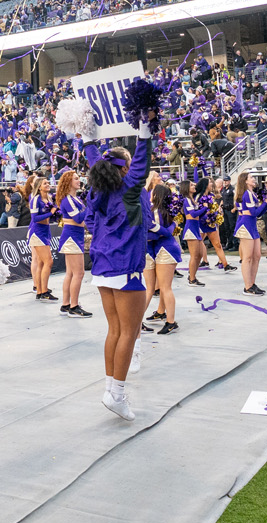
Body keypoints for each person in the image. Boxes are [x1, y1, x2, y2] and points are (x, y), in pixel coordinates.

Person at [85, 126, 153, 421]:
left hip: (102, 268)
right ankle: (117, 393)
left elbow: (92, 160)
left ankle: (111, 387)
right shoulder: (128, 190)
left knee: (114, 330)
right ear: (124, 169)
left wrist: (87, 138)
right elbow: (142, 162)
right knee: (129, 331)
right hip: (125, 267)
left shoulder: (101, 190)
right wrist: (146, 132)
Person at [143, 176, 182, 335]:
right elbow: (159, 233)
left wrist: (168, 229)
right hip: (154, 249)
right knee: (151, 288)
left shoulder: (157, 211)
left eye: (152, 193)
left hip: (165, 249)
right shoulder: (154, 210)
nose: (149, 195)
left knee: (164, 287)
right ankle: (142, 319)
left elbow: (160, 232)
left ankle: (171, 322)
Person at [54, 169, 92, 317]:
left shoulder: (74, 199)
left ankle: (66, 304)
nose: (79, 180)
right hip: (71, 238)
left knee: (70, 273)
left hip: (74, 237)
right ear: (68, 182)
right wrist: (90, 205)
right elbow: (78, 219)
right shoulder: (68, 200)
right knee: (79, 273)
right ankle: (74, 306)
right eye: (76, 178)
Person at [232, 171, 267, 295]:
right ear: (245, 181)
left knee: (257, 256)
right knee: (247, 258)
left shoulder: (250, 193)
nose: (254, 179)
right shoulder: (247, 193)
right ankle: (248, 286)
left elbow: (257, 212)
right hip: (246, 225)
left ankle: (252, 283)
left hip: (251, 224)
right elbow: (254, 212)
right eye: (251, 177)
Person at [25, 174, 57, 301]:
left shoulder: (49, 198)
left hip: (45, 231)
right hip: (37, 233)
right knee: (48, 261)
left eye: (48, 182)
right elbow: (35, 218)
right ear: (39, 187)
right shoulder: (35, 199)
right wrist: (51, 212)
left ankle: (40, 290)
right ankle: (43, 291)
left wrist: (55, 214)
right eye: (45, 183)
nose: (48, 184)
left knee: (41, 262)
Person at [179, 178, 208, 285]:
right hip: (191, 228)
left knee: (200, 255)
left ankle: (192, 275)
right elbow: (193, 214)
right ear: (187, 188)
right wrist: (205, 208)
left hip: (196, 227)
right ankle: (192, 278)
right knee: (194, 255)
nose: (194, 186)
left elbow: (198, 215)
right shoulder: (186, 200)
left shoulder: (192, 199)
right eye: (191, 185)